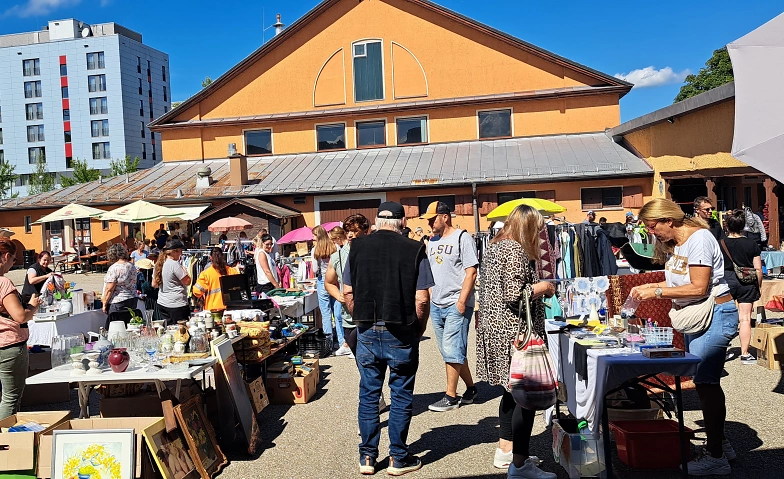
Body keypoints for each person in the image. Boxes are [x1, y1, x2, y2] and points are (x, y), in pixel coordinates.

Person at [630, 198, 738, 476]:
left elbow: (699, 287)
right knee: (705, 383)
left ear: (669, 220)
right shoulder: (677, 244)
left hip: (713, 314)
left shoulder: (698, 239)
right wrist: (651, 285)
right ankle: (721, 444)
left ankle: (716, 457)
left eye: (652, 226)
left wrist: (655, 293)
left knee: (706, 382)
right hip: (699, 316)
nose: (651, 232)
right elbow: (678, 281)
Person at [342, 201, 434, 476]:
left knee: (369, 395)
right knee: (401, 394)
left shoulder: (357, 247)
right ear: (402, 223)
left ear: (376, 222)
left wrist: (359, 316)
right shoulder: (415, 248)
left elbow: (347, 292)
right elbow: (422, 299)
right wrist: (418, 329)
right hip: (401, 328)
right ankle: (398, 458)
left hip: (367, 327)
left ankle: (367, 457)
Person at [476, 205, 557, 478]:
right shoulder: (513, 249)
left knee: (511, 393)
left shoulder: (495, 245)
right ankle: (520, 465)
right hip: (515, 333)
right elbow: (514, 293)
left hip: (497, 329)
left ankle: (506, 451)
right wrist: (543, 287)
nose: (538, 235)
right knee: (526, 397)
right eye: (536, 229)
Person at [420, 201, 479, 412]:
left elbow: (471, 272)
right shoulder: (432, 241)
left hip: (457, 302)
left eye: (432, 219)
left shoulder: (463, 238)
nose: (429, 223)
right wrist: (429, 295)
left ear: (445, 217)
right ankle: (471, 388)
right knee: (450, 350)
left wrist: (462, 301)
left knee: (452, 348)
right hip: (437, 302)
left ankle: (451, 396)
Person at [0, 239, 42, 418]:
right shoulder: (3, 283)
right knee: (11, 397)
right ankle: (6, 440)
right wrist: (32, 306)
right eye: (13, 259)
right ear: (6, 256)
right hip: (9, 345)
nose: (14, 263)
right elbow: (20, 316)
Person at [721, 210, 762, 364]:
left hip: (726, 280)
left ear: (727, 226)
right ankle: (745, 354)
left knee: (723, 317)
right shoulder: (751, 244)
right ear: (743, 225)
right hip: (747, 280)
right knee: (744, 318)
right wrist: (758, 286)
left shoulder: (720, 243)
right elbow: (758, 269)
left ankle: (722, 351)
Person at [325, 216, 370, 357]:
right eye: (348, 231)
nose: (350, 234)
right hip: (349, 318)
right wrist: (339, 295)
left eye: (355, 231)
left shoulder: (374, 252)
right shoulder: (337, 256)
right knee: (360, 360)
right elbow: (329, 282)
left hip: (371, 316)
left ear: (365, 231)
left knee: (371, 362)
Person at [312, 225, 342, 352]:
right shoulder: (335, 247)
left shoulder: (315, 250)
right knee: (338, 312)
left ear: (317, 236)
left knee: (325, 313)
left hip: (322, 280)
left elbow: (314, 269)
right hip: (335, 279)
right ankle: (342, 341)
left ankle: (328, 343)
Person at [153, 239, 191, 325]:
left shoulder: (159, 264)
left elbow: (154, 284)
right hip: (177, 304)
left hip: (163, 302)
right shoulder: (174, 264)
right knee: (181, 331)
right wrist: (185, 271)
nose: (181, 254)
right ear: (174, 252)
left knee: (169, 330)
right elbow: (187, 281)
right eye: (180, 251)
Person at [101, 243, 139, 324]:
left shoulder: (114, 268)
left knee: (116, 326)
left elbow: (109, 289)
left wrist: (104, 303)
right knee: (129, 324)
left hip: (118, 300)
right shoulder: (131, 266)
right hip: (132, 298)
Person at [193, 247, 238, 311]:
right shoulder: (233, 271)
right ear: (223, 256)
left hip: (213, 310)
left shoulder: (206, 274)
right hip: (230, 309)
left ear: (210, 257)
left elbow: (197, 292)